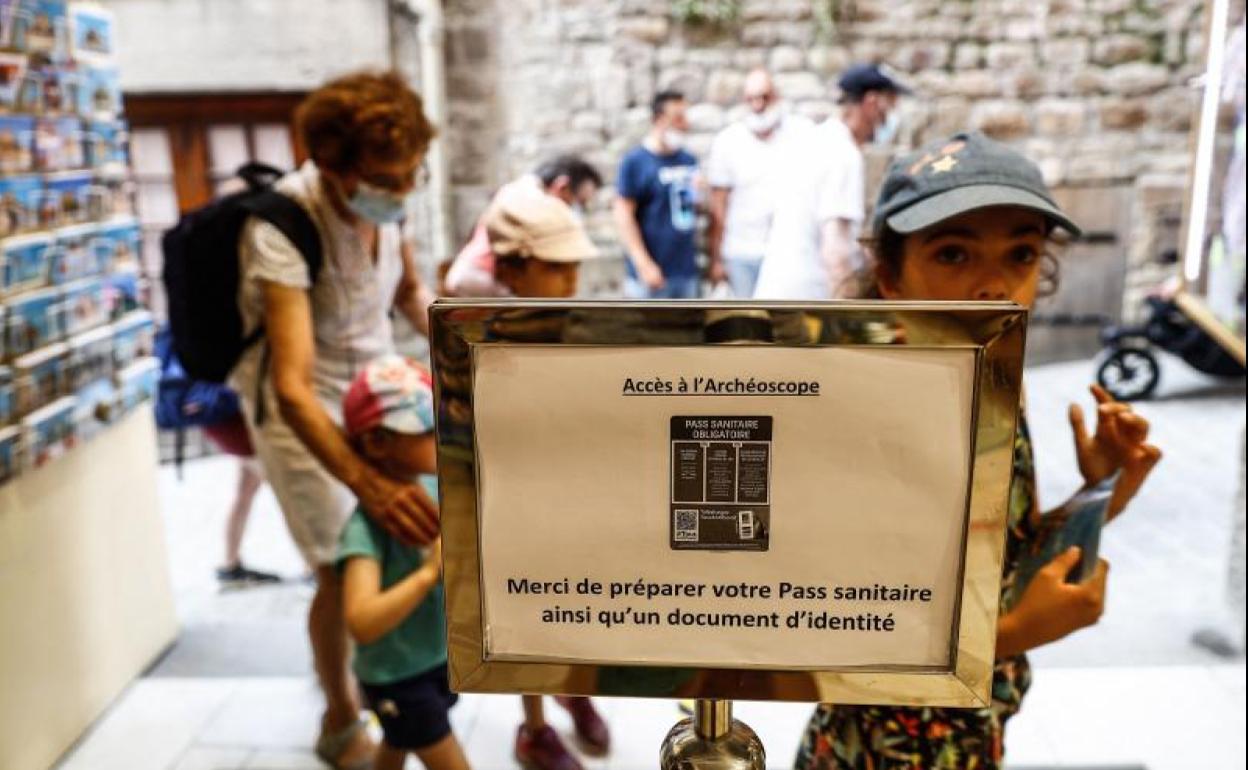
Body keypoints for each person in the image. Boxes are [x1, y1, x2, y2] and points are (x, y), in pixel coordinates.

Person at [794, 132, 1164, 769]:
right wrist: (1016, 634)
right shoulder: (865, 417)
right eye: (954, 253)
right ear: (889, 275)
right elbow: (830, 626)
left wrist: (1102, 494)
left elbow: (1004, 564)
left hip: (976, 734)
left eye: (1021, 253)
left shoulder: (990, 386)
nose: (994, 285)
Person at [229, 71, 441, 770]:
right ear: (332, 165)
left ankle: (398, 674)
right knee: (335, 564)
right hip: (304, 410)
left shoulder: (391, 207)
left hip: (377, 390)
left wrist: (471, 345)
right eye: (386, 176)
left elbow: (408, 293)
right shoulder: (280, 224)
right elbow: (290, 384)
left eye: (412, 174)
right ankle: (341, 709)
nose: (402, 189)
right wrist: (366, 482)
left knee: (393, 550)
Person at [475, 182, 611, 769]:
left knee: (579, 604)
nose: (572, 282)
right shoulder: (485, 336)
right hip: (515, 504)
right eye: (558, 269)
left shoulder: (574, 326)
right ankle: (532, 727)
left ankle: (574, 687)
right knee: (523, 616)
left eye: (574, 268)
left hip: (573, 495)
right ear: (516, 267)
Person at [338, 355, 470, 770]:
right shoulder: (365, 527)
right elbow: (360, 620)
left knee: (395, 744)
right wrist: (430, 573)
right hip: (397, 677)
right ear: (377, 443)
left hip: (433, 658)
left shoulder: (434, 484)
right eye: (425, 429)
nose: (439, 435)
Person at [755, 63, 907, 300]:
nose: (891, 113)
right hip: (806, 303)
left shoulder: (815, 140)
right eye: (890, 103)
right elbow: (836, 251)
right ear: (871, 102)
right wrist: (848, 318)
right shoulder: (844, 154)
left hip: (778, 294)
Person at [705, 69, 813, 298]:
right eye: (751, 98)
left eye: (764, 97)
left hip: (785, 249)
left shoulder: (800, 134)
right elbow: (718, 204)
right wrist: (716, 259)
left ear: (776, 96)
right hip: (741, 250)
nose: (758, 105)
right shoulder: (728, 141)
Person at [443, 155, 603, 297]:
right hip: (480, 279)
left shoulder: (522, 192)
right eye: (579, 203)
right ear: (562, 187)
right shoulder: (527, 199)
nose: (575, 211)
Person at [613, 89, 702, 299]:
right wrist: (643, 263)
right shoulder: (635, 162)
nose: (685, 124)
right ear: (659, 120)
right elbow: (623, 214)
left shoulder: (688, 160)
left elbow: (690, 209)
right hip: (651, 273)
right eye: (679, 118)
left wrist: (700, 194)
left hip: (685, 270)